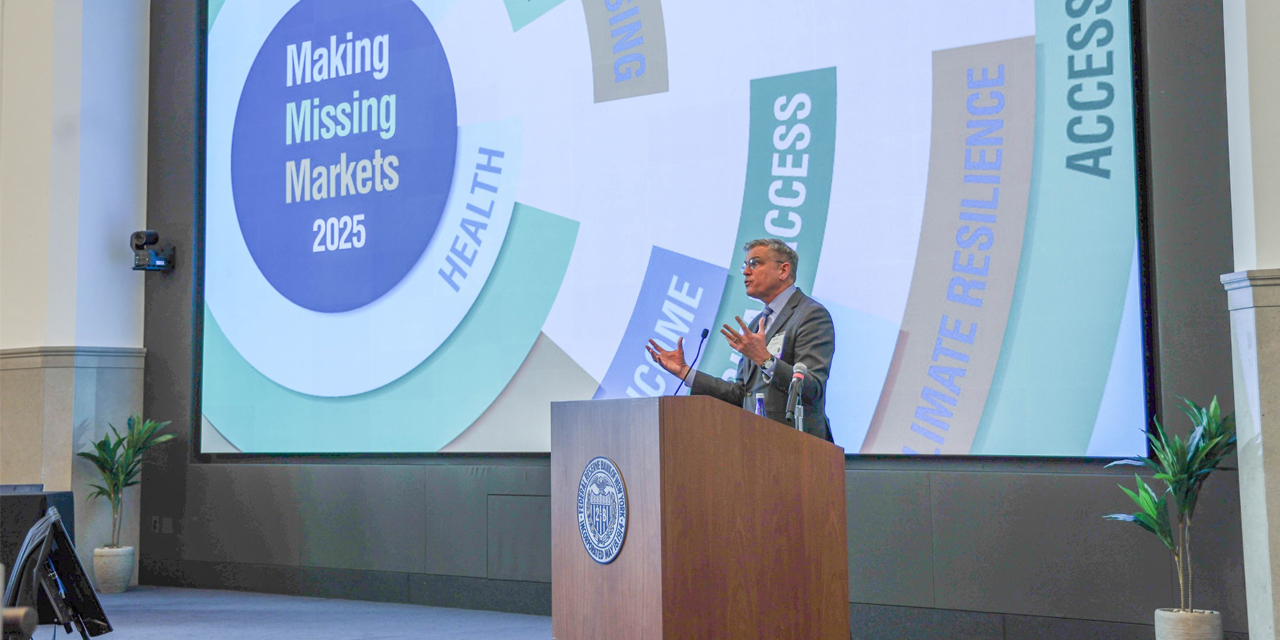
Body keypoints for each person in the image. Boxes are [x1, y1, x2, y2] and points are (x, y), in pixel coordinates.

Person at [647, 238, 835, 441]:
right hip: (757, 445)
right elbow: (741, 394)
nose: (746, 271)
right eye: (745, 265)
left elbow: (812, 388)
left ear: (783, 271)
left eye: (755, 263)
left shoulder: (810, 315)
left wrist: (766, 360)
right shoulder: (756, 324)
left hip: (800, 446)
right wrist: (686, 373)